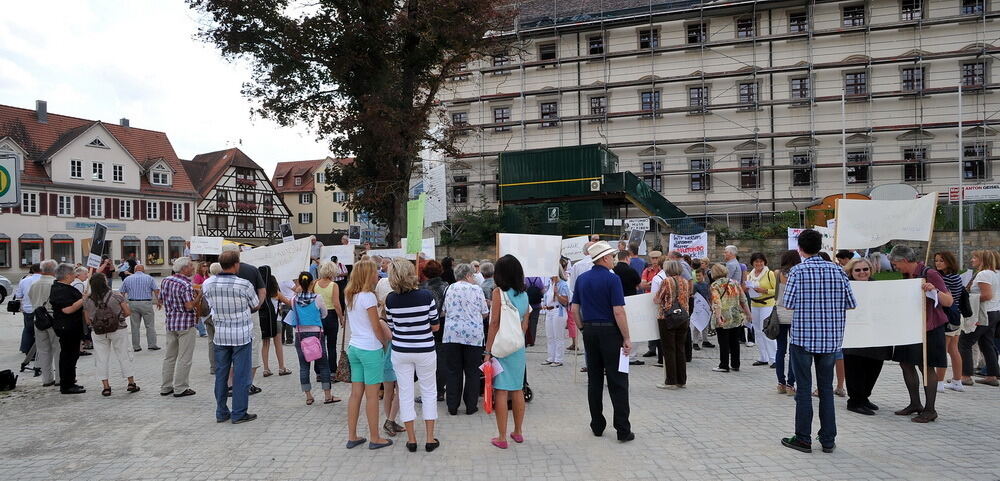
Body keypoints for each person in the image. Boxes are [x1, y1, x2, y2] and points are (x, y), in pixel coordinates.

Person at [780, 229, 856, 453]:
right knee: (825, 389)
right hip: (831, 339)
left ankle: (803, 438)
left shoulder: (797, 272)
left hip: (803, 338)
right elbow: (851, 302)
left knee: (803, 390)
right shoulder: (838, 271)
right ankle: (828, 439)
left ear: (800, 249)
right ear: (820, 245)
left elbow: (789, 303)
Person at [571, 242, 635, 443]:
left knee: (595, 380)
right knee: (618, 380)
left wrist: (582, 328)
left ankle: (597, 425)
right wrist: (626, 337)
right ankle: (623, 429)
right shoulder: (612, 279)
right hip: (610, 332)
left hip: (589, 330)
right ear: (605, 258)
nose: (614, 260)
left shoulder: (582, 279)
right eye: (612, 257)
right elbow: (618, 311)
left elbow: (574, 309)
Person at [889, 245, 953, 423]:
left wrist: (934, 289)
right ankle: (915, 403)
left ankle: (930, 409)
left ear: (904, 260)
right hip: (910, 326)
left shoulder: (930, 273)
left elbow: (948, 301)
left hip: (930, 327)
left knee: (927, 366)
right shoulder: (907, 275)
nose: (895, 267)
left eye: (896, 264)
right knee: (906, 363)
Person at [385, 259, 441, 452]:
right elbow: (435, 326)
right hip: (425, 349)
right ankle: (430, 438)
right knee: (428, 392)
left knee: (406, 393)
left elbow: (392, 327)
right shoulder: (426, 296)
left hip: (400, 351)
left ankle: (411, 439)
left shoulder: (390, 299)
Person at [202, 250, 260, 424]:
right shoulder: (244, 284)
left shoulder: (208, 283)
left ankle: (221, 411)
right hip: (241, 334)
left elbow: (210, 304)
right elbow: (255, 305)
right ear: (236, 264)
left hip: (220, 334)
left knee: (221, 374)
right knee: (241, 375)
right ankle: (239, 412)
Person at [344, 260, 393, 450]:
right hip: (370, 349)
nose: (377, 276)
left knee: (356, 394)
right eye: (374, 273)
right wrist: (383, 343)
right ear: (367, 275)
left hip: (354, 347)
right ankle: (375, 437)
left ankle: (352, 435)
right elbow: (376, 326)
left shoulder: (350, 296)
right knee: (372, 396)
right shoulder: (369, 298)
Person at [484, 255, 531, 449]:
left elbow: (494, 323)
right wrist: (516, 338)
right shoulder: (524, 294)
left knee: (501, 390)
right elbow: (525, 324)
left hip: (501, 348)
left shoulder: (498, 293)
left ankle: (502, 437)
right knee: (517, 389)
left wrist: (488, 351)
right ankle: (518, 432)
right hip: (517, 347)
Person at [841, 258, 892, 415]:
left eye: (865, 269)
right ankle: (855, 401)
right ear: (851, 272)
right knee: (856, 366)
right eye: (858, 270)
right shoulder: (845, 287)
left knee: (874, 364)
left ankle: (864, 397)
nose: (862, 272)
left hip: (875, 332)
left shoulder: (877, 286)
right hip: (854, 333)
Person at [442, 263, 490, 415]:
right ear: (468, 275)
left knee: (452, 371)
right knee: (472, 371)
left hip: (452, 334)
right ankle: (470, 405)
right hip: (473, 336)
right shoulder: (477, 289)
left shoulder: (449, 288)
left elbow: (443, 310)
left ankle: (452, 405)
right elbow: (484, 313)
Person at [82, 272, 139, 396]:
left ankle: (106, 387)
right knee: (124, 355)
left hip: (98, 332)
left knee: (101, 358)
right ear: (105, 282)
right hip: (118, 329)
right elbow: (128, 312)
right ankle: (131, 382)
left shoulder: (88, 300)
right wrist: (118, 317)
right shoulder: (116, 295)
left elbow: (87, 320)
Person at [221, 244, 266, 395]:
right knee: (252, 347)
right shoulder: (252, 269)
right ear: (238, 254)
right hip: (249, 313)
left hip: (224, 317)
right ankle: (248, 384)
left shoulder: (217, 274)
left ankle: (229, 384)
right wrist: (257, 306)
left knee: (228, 350)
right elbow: (262, 290)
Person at [288, 271, 338, 405]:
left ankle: (308, 396)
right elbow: (324, 314)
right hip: (316, 333)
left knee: (304, 366)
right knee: (323, 364)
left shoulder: (293, 300)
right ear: (312, 283)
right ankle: (328, 395)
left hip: (300, 334)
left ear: (299, 283)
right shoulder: (318, 298)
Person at [159, 257, 201, 398]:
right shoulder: (186, 284)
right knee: (184, 357)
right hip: (185, 323)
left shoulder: (166, 280)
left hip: (171, 322)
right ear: (184, 269)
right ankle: (180, 387)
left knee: (169, 356)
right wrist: (199, 297)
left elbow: (161, 299)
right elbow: (189, 305)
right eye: (190, 266)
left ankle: (166, 386)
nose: (193, 268)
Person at [959, 250, 999, 387]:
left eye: (975, 257)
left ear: (982, 260)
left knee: (964, 342)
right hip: (994, 312)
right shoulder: (996, 273)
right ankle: (992, 375)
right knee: (986, 343)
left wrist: (968, 299)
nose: (972, 260)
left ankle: (966, 376)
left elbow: (987, 295)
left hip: (983, 312)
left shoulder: (983, 274)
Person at [49, 263, 88, 394]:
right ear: (67, 276)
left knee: (72, 355)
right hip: (67, 326)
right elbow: (67, 309)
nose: (74, 276)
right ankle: (66, 385)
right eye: (72, 274)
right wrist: (83, 300)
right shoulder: (60, 290)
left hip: (72, 326)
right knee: (68, 355)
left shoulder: (65, 287)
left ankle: (70, 381)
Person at [655, 260, 690, 389]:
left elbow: (657, 298)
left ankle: (670, 381)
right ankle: (682, 380)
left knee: (669, 349)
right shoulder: (685, 281)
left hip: (668, 317)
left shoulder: (667, 281)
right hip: (683, 317)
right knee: (680, 349)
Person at [933, 251, 966, 392]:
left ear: (949, 262)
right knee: (953, 349)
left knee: (942, 350)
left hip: (947, 317)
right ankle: (957, 381)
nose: (938, 263)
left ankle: (939, 382)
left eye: (941, 260)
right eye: (936, 260)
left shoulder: (946, 278)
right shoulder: (957, 277)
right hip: (957, 316)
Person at [709, 263, 750, 373]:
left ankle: (724, 365)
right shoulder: (735, 283)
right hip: (736, 315)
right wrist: (748, 313)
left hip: (723, 316)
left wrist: (717, 318)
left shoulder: (715, 285)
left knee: (723, 342)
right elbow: (743, 299)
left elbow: (717, 302)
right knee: (734, 341)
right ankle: (736, 364)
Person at [420, 260, 449, 401]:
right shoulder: (446, 286)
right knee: (442, 359)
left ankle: (430, 391)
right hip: (443, 325)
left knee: (427, 361)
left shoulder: (422, 288)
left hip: (426, 326)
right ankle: (440, 390)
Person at [28, 260, 60, 387]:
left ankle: (46, 379)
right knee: (57, 348)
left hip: (38, 317)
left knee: (43, 350)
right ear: (54, 270)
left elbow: (31, 298)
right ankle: (59, 378)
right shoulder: (54, 284)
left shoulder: (34, 284)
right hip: (52, 317)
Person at [774, 250, 800, 395]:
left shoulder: (777, 273)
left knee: (780, 349)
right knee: (794, 351)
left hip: (780, 313)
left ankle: (780, 383)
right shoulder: (798, 273)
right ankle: (791, 384)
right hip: (795, 314)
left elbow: (775, 293)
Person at [313, 261, 344, 381]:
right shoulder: (333, 285)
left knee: (319, 344)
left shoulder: (315, 283)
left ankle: (319, 372)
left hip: (318, 315)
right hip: (331, 315)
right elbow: (336, 303)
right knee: (331, 345)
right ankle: (332, 372)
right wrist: (341, 317)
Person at [745, 253, 777, 367]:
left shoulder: (770, 273)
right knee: (758, 331)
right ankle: (763, 357)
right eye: (756, 262)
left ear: (764, 262)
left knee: (767, 331)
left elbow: (776, 290)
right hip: (755, 304)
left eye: (761, 261)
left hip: (767, 304)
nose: (758, 264)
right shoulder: (750, 275)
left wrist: (765, 291)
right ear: (752, 263)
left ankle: (773, 358)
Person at [120, 264, 160, 352]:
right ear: (143, 270)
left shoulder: (128, 279)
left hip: (132, 303)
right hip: (146, 303)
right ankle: (152, 344)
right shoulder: (149, 278)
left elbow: (121, 293)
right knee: (150, 325)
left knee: (135, 326)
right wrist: (159, 301)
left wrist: (122, 305)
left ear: (134, 270)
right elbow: (156, 290)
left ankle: (136, 346)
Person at [541, 266, 570, 368]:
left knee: (558, 336)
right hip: (549, 311)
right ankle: (551, 357)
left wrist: (557, 293)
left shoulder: (562, 284)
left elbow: (565, 301)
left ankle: (558, 358)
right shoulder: (550, 284)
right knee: (550, 336)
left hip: (559, 310)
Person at [15, 264, 41, 371]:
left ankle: (26, 350)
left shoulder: (24, 280)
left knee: (27, 329)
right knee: (39, 332)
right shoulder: (43, 280)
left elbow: (18, 295)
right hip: (39, 309)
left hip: (27, 308)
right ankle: (37, 353)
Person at [639, 251, 663, 358]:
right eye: (653, 259)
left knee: (660, 324)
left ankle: (660, 349)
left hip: (660, 300)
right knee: (650, 324)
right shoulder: (647, 271)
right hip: (649, 300)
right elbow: (643, 285)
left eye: (657, 258)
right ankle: (652, 349)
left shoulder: (662, 271)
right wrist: (652, 283)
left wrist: (650, 283)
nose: (654, 261)